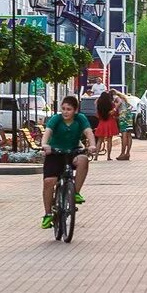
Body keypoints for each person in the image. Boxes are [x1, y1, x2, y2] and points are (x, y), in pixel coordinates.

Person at [40, 96, 96, 229]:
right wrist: (44, 145)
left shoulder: (80, 119)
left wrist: (92, 145)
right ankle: (48, 214)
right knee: (49, 181)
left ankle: (75, 193)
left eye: (69, 109)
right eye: (63, 109)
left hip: (72, 152)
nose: (65, 112)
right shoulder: (56, 119)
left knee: (83, 160)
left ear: (75, 110)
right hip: (55, 153)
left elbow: (89, 132)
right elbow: (47, 133)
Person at [94, 91, 120, 160]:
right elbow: (115, 113)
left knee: (99, 140)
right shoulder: (111, 104)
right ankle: (108, 156)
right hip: (110, 122)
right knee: (109, 140)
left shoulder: (99, 105)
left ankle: (96, 156)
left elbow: (97, 115)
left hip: (102, 123)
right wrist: (115, 109)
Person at [114, 89, 135, 161]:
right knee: (129, 135)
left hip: (123, 116)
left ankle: (122, 153)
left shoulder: (116, 97)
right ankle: (128, 153)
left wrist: (115, 109)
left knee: (124, 135)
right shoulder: (124, 98)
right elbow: (131, 106)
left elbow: (118, 102)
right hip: (129, 115)